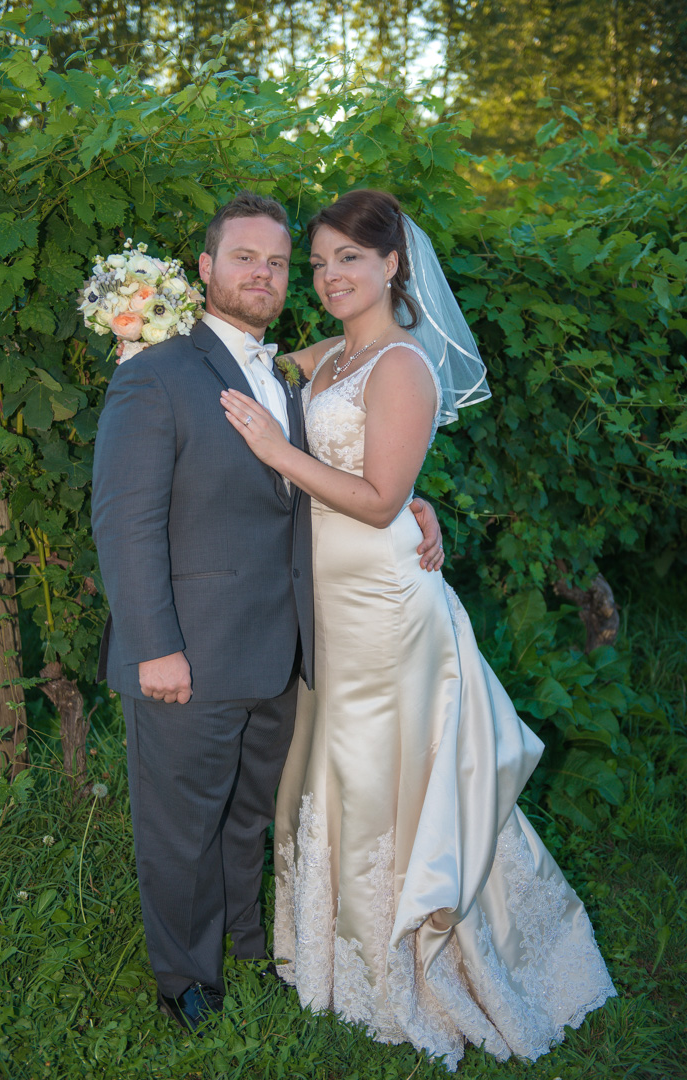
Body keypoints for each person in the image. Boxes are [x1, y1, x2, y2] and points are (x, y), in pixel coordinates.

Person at [220, 189, 616, 1069]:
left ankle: (400, 958)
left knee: (379, 772)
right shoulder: (329, 355)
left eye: (348, 259)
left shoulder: (402, 364)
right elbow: (259, 371)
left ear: (392, 263)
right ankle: (330, 949)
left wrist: (282, 453)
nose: (327, 277)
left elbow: (375, 500)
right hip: (326, 598)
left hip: (384, 605)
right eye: (317, 263)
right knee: (334, 763)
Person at [90, 191, 444, 1033]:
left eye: (279, 263)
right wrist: (153, 646)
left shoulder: (291, 375)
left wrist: (410, 502)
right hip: (187, 650)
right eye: (244, 257)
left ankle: (247, 946)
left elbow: (336, 473)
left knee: (249, 816)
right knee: (180, 828)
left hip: (283, 646)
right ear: (205, 268)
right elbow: (123, 521)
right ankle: (186, 980)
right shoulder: (155, 373)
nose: (264, 274)